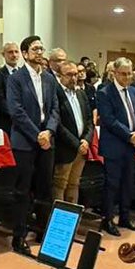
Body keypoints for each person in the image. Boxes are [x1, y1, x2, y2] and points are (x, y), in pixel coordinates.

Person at [5, 35, 60, 254]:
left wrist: (49, 131)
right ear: (25, 53)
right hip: (25, 142)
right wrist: (37, 134)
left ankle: (43, 231)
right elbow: (16, 111)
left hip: (46, 141)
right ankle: (19, 237)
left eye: (41, 48)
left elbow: (55, 107)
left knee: (45, 189)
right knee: (22, 191)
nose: (40, 52)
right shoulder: (16, 79)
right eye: (35, 49)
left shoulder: (48, 78)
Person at [97, 57, 135, 236]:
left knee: (128, 183)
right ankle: (108, 219)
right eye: (123, 74)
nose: (126, 77)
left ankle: (125, 217)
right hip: (114, 145)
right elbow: (109, 120)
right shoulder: (105, 92)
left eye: (129, 74)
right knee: (112, 184)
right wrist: (128, 135)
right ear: (115, 73)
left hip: (131, 144)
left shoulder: (134, 92)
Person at [52, 60, 93, 204]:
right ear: (60, 76)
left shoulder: (81, 94)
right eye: (69, 75)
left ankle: (72, 221)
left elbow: (89, 120)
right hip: (65, 148)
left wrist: (86, 140)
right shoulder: (55, 94)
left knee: (74, 184)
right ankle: (59, 224)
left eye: (76, 74)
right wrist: (76, 143)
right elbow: (58, 124)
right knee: (60, 185)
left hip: (81, 148)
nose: (74, 78)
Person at [0, 41, 22, 135]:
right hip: (8, 120)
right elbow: (0, 100)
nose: (14, 55)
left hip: (25, 120)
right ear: (3, 55)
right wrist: (16, 115)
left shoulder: (23, 73)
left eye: (16, 52)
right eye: (10, 52)